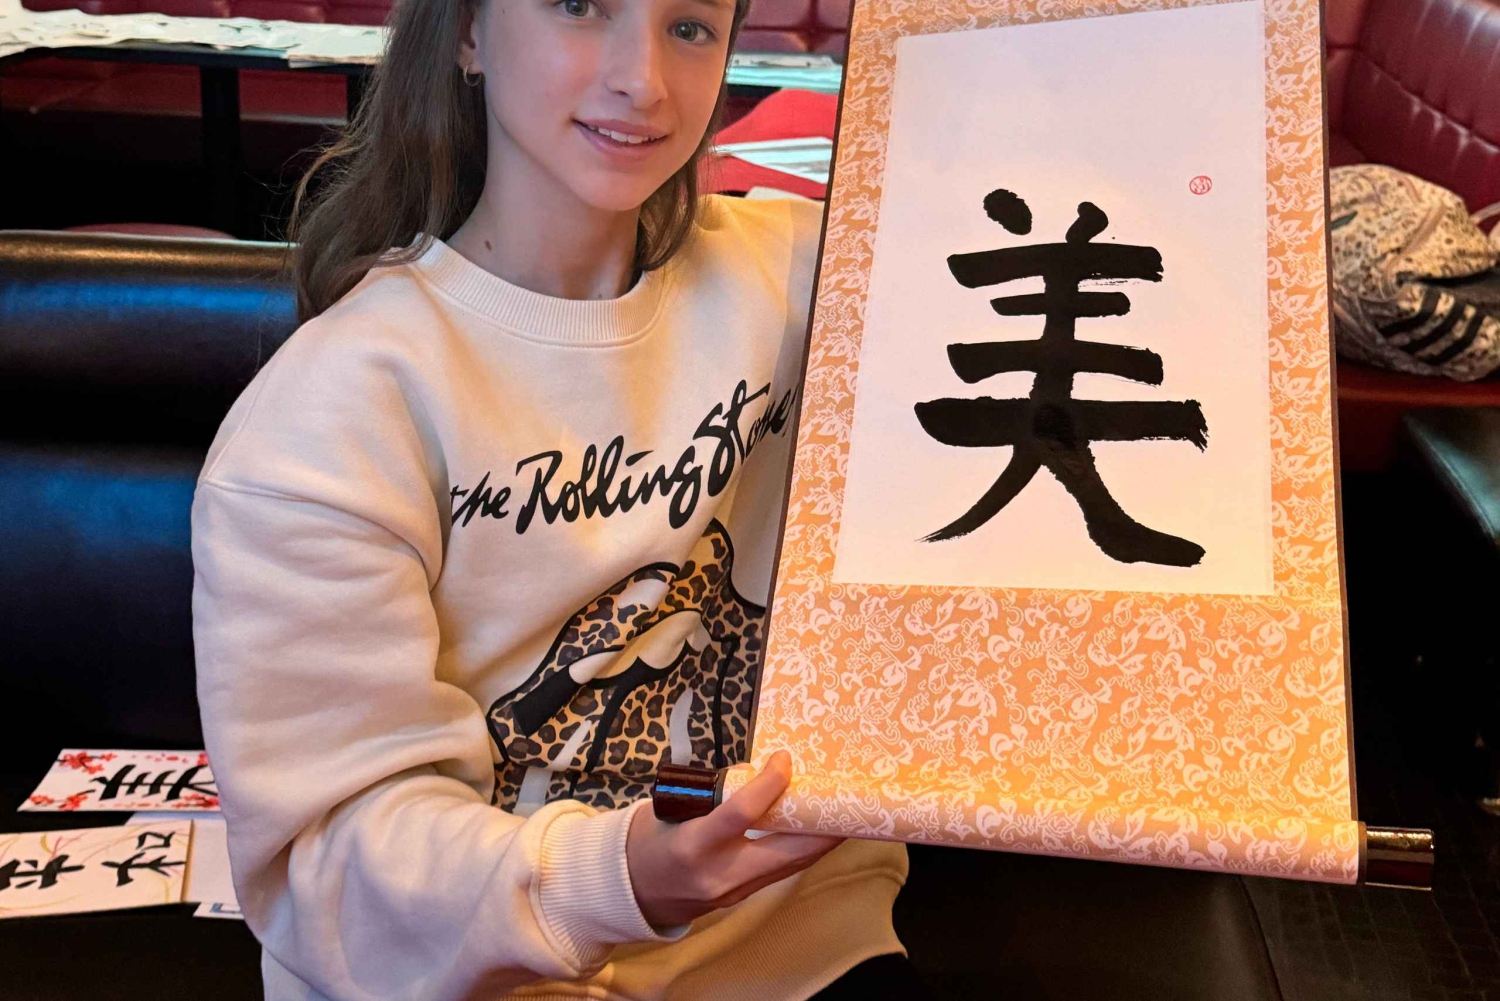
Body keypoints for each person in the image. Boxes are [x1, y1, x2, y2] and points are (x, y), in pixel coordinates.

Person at [190, 0, 912, 998]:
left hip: (810, 949)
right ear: (469, 33)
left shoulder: (816, 275)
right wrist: (619, 878)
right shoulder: (336, 411)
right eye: (579, 6)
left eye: (690, 28)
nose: (642, 81)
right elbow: (331, 869)